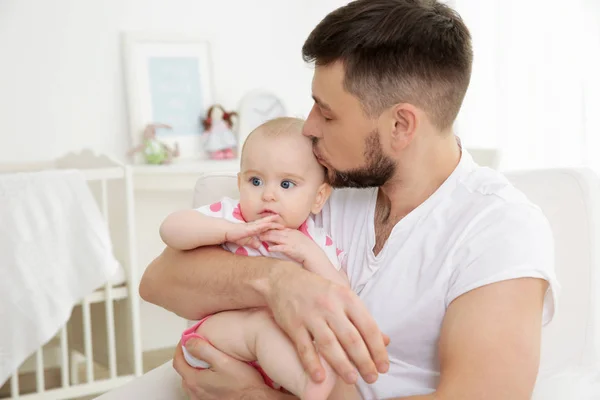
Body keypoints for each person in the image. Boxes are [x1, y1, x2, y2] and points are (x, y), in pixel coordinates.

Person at [140, 0, 559, 399]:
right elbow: (159, 280)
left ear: (400, 125)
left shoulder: (499, 229)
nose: (308, 128)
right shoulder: (324, 186)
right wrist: (277, 282)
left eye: (327, 112)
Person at [158, 117, 351, 399]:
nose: (268, 195)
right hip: (221, 339)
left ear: (318, 197)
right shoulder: (231, 217)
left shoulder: (314, 242)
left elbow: (343, 295)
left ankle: (308, 381)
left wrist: (309, 254)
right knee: (262, 324)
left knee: (320, 343)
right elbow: (170, 229)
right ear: (240, 183)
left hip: (281, 358)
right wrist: (227, 232)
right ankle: (310, 386)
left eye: (286, 184)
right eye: (256, 181)